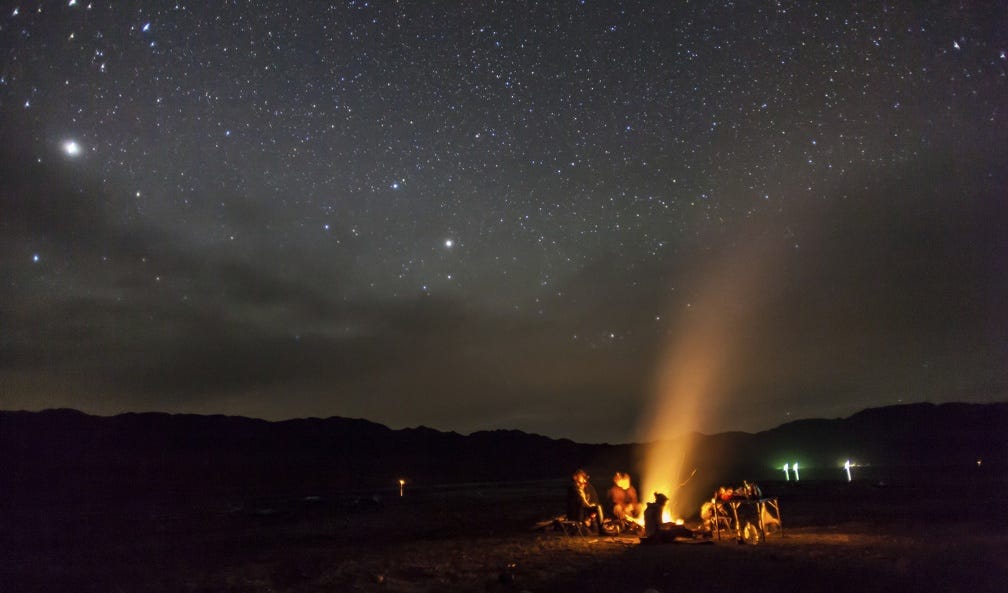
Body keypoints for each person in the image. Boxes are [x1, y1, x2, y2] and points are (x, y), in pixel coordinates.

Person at [566, 469, 608, 534]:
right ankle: (581, 526)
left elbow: (595, 500)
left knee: (598, 507)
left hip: (587, 512)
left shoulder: (589, 488)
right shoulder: (573, 489)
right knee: (588, 532)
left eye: (583, 477)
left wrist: (591, 515)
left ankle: (601, 527)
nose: (583, 480)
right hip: (578, 513)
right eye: (579, 477)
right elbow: (579, 503)